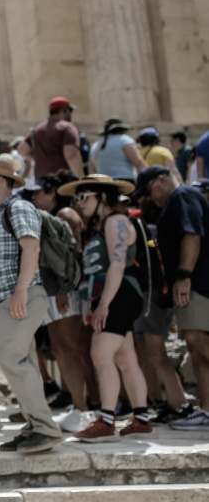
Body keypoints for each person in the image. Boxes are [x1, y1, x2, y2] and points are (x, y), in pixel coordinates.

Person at [0, 159, 64, 453]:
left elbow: (31, 247)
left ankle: (46, 428)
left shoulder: (18, 207)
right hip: (5, 300)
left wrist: (21, 291)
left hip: (21, 295)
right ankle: (35, 426)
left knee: (11, 359)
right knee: (24, 360)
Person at [58, 175, 153, 441]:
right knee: (125, 358)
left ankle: (107, 420)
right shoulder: (103, 225)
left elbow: (118, 265)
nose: (79, 203)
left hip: (121, 294)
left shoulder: (115, 221)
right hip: (116, 294)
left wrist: (104, 306)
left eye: (84, 196)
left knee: (100, 355)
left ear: (101, 197)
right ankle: (142, 419)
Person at [134, 165, 209, 431]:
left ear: (162, 180)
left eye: (149, 190)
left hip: (198, 281)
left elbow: (192, 235)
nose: (149, 197)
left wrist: (184, 275)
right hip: (190, 283)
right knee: (195, 349)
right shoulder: (174, 202)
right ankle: (207, 412)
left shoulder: (182, 196)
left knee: (196, 337)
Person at [23, 173, 95, 432]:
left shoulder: (64, 214)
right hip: (57, 290)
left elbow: (71, 255)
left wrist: (64, 289)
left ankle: (82, 409)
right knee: (64, 349)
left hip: (62, 291)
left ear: (52, 193)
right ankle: (81, 405)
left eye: (39, 192)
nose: (34, 197)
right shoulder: (59, 216)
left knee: (67, 349)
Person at [27, 96, 85, 179]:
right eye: (70, 110)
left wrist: (42, 160)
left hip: (42, 184)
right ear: (64, 111)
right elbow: (71, 155)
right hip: (62, 181)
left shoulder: (37, 129)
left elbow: (22, 149)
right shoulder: (67, 127)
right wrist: (81, 180)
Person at [89, 117, 147, 182]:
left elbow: (92, 170)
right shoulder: (124, 140)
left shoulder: (95, 145)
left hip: (104, 184)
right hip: (125, 183)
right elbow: (139, 163)